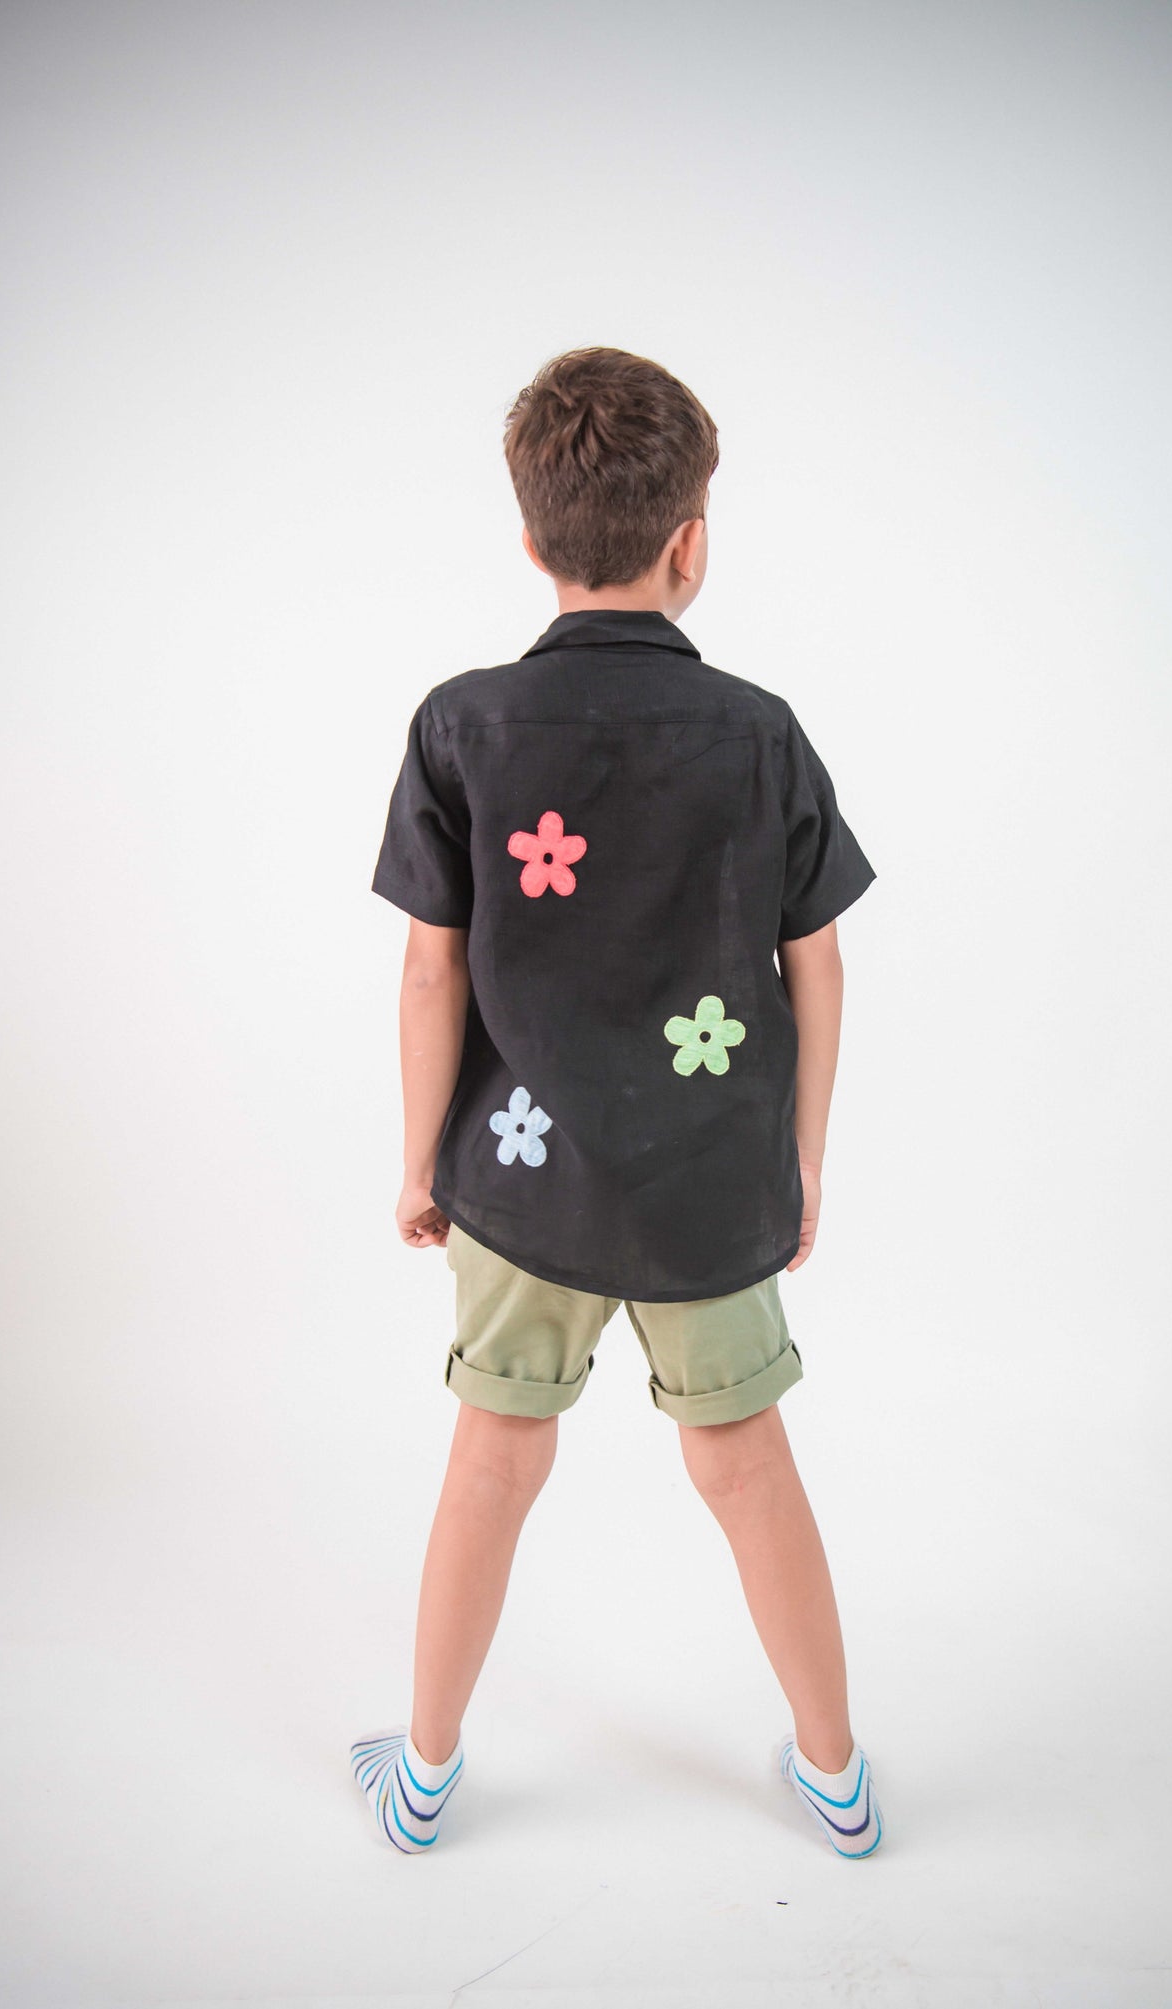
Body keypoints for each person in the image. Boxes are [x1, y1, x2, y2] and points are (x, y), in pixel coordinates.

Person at [349, 347, 883, 1860]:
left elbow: (425, 971)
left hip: (518, 1177)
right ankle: (836, 1774)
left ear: (531, 542)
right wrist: (800, 1160)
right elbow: (819, 960)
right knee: (748, 1465)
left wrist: (417, 1159)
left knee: (490, 1461)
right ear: (690, 540)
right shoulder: (759, 731)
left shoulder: (463, 725)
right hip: (715, 1188)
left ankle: (427, 1774)